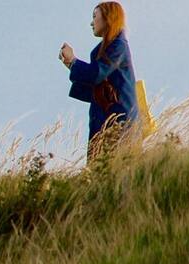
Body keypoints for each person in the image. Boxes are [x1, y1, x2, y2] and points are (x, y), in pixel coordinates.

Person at [60, 2, 140, 163]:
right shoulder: (108, 48)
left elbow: (96, 74)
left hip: (119, 123)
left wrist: (74, 62)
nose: (91, 23)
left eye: (94, 17)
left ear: (107, 18)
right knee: (101, 174)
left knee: (116, 170)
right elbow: (98, 88)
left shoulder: (118, 46)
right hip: (106, 122)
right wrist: (71, 64)